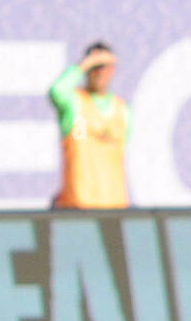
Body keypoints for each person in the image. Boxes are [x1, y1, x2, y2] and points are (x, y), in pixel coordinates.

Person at [49, 41, 130, 208]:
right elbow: (57, 91)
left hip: (114, 205)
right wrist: (84, 63)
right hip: (79, 204)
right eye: (95, 66)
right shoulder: (76, 103)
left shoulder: (122, 110)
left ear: (112, 69)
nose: (99, 71)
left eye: (104, 66)